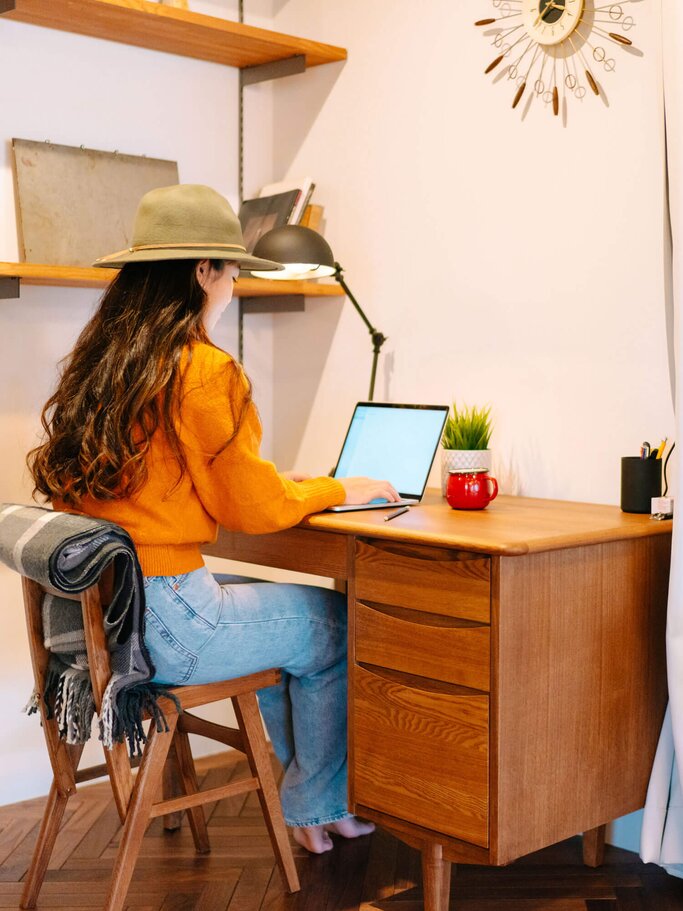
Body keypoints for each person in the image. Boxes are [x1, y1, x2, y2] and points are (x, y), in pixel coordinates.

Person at [28, 184, 400, 855]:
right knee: (334, 623)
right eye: (231, 272)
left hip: (119, 613)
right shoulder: (201, 368)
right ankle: (317, 802)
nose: (232, 287)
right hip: (168, 618)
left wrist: (289, 485)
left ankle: (312, 801)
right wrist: (337, 487)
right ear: (203, 270)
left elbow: (185, 485)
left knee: (297, 625)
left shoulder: (107, 366)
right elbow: (248, 508)